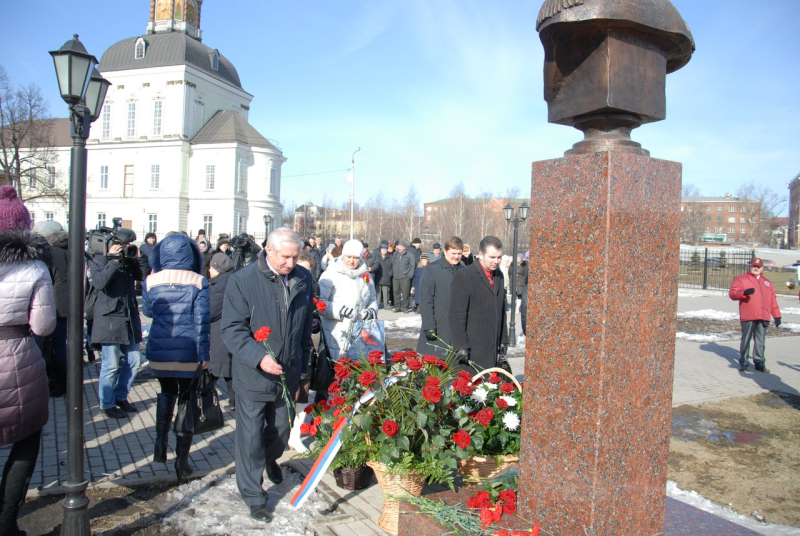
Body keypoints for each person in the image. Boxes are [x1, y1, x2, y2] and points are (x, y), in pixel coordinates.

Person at [221, 227, 314, 523]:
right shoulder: (243, 280)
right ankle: (254, 497)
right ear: (269, 251)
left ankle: (270, 458)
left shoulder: (303, 277)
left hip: (287, 372)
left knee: (282, 429)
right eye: (285, 257)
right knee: (249, 438)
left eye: (295, 256)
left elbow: (302, 324)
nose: (290, 263)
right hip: (253, 373)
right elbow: (232, 330)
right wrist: (259, 357)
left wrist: (304, 363)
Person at [0, 186, 56, 535]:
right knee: (26, 439)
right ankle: (6, 523)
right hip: (19, 358)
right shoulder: (35, 267)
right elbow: (43, 325)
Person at [141, 233, 210, 482]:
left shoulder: (151, 281)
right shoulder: (199, 282)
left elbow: (148, 311)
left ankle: (160, 444)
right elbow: (201, 322)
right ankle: (182, 461)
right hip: (188, 351)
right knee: (186, 400)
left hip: (159, 350)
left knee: (165, 392)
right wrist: (204, 355)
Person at [90, 227, 149, 418]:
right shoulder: (99, 258)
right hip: (109, 318)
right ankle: (106, 403)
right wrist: (113, 261)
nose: (125, 248)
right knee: (111, 364)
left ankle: (120, 396)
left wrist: (139, 258)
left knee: (134, 360)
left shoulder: (129, 259)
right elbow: (99, 283)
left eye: (128, 245)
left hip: (128, 317)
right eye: (122, 245)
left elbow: (142, 276)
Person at [449, 236, 509, 372]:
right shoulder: (465, 276)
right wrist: (460, 346)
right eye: (492, 257)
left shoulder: (499, 275)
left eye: (499, 257)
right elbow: (456, 314)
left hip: (493, 347)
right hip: (473, 347)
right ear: (480, 254)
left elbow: (501, 309)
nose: (496, 261)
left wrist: (504, 339)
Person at [318, 239, 378, 359]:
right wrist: (341, 310)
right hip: (336, 332)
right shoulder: (330, 274)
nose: (351, 261)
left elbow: (372, 300)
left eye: (355, 257)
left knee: (357, 370)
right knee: (338, 370)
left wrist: (370, 312)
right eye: (348, 256)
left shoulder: (366, 276)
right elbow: (320, 304)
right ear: (343, 255)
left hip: (361, 332)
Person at [33, 220, 69, 397]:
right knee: (65, 344)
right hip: (72, 306)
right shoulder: (72, 250)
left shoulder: (49, 254)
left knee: (54, 345)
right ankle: (67, 381)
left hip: (54, 306)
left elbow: (46, 282)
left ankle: (59, 383)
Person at [728, 258, 781, 373]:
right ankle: (744, 362)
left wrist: (777, 315)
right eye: (754, 266)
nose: (756, 268)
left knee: (760, 340)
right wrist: (743, 293)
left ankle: (759, 362)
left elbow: (772, 300)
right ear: (750, 267)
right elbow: (732, 294)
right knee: (746, 339)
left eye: (758, 267)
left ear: (762, 268)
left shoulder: (767, 283)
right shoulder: (741, 280)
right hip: (749, 315)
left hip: (763, 315)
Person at [416, 236, 464, 358]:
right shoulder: (433, 269)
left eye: (459, 253)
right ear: (445, 250)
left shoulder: (464, 271)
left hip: (458, 329)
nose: (456, 257)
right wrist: (429, 325)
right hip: (438, 325)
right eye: (453, 253)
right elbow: (426, 300)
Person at [208, 252, 236, 412]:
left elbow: (212, 311)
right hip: (228, 331)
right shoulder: (231, 280)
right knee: (228, 370)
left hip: (219, 331)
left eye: (211, 267)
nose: (209, 271)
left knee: (215, 368)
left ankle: (204, 403)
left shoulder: (219, 286)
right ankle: (234, 402)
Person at [391, 241, 415, 313]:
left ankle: (405, 307)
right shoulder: (395, 254)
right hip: (395, 277)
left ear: (404, 247)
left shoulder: (410, 255)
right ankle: (397, 307)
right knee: (396, 292)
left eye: (401, 246)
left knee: (405, 293)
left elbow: (412, 266)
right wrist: (393, 273)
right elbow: (393, 264)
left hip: (405, 277)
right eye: (399, 246)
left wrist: (410, 276)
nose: (399, 248)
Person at [375, 242, 393, 309]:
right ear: (380, 250)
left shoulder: (390, 258)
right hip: (378, 278)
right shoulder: (377, 257)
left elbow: (392, 267)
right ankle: (377, 305)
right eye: (383, 249)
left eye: (385, 249)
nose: (384, 250)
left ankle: (386, 305)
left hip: (386, 278)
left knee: (386, 293)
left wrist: (390, 274)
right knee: (378, 293)